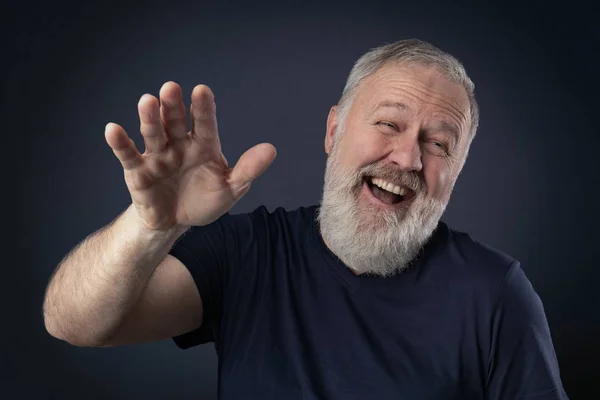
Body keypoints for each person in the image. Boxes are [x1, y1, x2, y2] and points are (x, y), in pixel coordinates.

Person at [43, 39, 569, 399]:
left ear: (456, 170)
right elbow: (74, 323)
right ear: (333, 131)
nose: (408, 159)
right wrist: (151, 228)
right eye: (388, 123)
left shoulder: (495, 292)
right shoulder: (247, 255)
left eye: (438, 145)